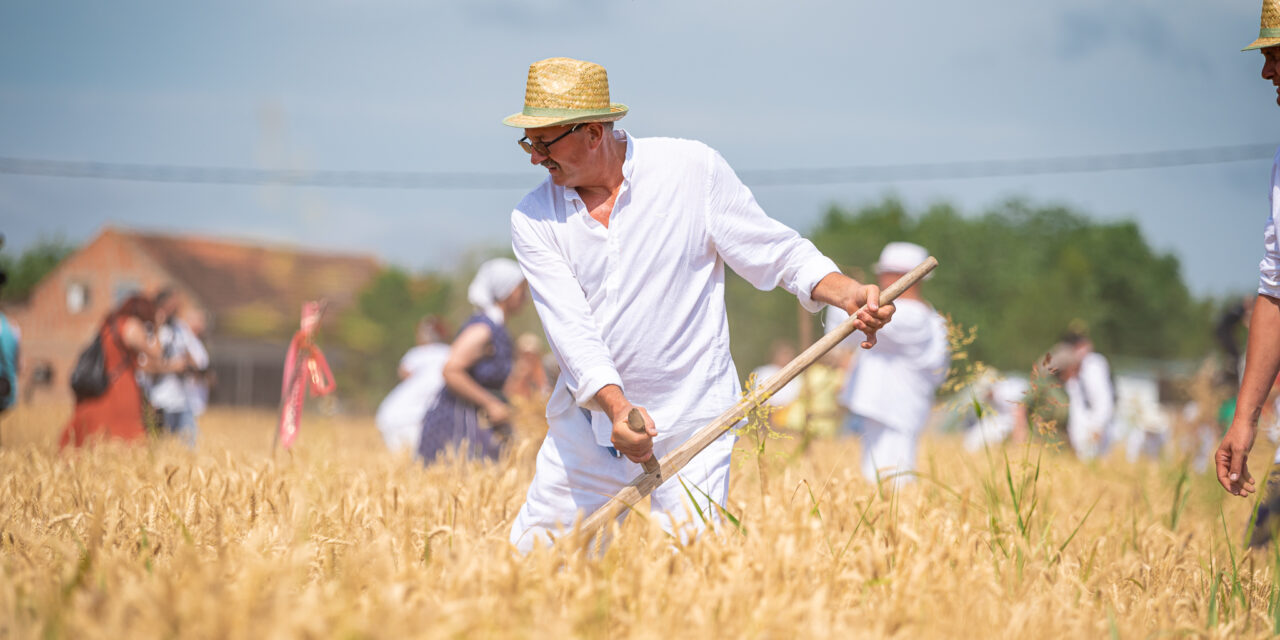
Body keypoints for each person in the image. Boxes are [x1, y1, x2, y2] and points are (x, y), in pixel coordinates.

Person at [504, 57, 895, 551]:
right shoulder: (533, 218)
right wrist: (618, 410)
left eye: (544, 142)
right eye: (528, 143)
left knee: (690, 571)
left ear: (594, 132)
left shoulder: (690, 170)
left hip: (696, 420)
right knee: (538, 566)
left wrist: (846, 293)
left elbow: (772, 250)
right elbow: (571, 332)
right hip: (588, 427)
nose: (535, 157)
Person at [825, 242, 948, 487]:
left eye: (889, 273)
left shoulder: (912, 317)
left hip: (893, 407)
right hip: (887, 407)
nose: (882, 278)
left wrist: (845, 293)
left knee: (890, 476)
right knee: (885, 473)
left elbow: (842, 319)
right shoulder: (929, 316)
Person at [418, 259, 527, 463]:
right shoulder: (482, 330)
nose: (525, 298)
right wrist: (490, 403)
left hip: (480, 424)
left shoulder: (497, 329)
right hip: (458, 424)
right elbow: (451, 370)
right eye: (521, 289)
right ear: (506, 292)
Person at [60, 295, 166, 448]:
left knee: (97, 438)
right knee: (125, 436)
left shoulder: (110, 325)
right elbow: (156, 353)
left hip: (103, 387)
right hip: (121, 389)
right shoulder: (130, 326)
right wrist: (157, 327)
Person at [142, 288, 209, 447]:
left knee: (191, 450)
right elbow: (145, 366)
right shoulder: (150, 330)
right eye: (172, 305)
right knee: (158, 449)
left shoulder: (180, 328)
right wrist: (171, 367)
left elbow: (194, 357)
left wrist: (189, 365)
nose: (176, 309)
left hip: (182, 401)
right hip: (159, 402)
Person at [376, 316, 450, 453]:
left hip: (389, 413)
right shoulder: (450, 354)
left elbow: (404, 372)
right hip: (414, 419)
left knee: (403, 466)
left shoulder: (416, 354)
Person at [1055, 327, 1116, 461]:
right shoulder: (1069, 366)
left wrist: (1098, 425)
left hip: (1096, 424)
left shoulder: (1094, 365)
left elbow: (1103, 398)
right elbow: (1075, 404)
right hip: (1080, 427)